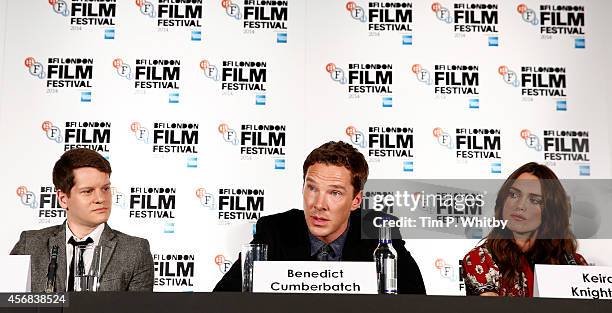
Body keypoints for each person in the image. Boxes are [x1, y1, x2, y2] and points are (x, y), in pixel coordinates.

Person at [214, 141, 426, 294]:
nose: (318, 204)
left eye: (335, 193)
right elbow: (223, 300)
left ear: (356, 200)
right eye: (312, 188)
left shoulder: (379, 231)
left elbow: (418, 304)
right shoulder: (275, 230)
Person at [10, 148, 154, 292]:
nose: (100, 199)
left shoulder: (135, 251)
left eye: (105, 189)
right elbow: (8, 305)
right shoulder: (29, 245)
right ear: (63, 199)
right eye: (87, 191)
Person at [462, 162, 588, 297]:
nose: (520, 206)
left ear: (550, 212)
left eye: (534, 200)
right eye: (514, 195)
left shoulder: (573, 262)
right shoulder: (481, 259)